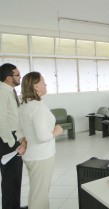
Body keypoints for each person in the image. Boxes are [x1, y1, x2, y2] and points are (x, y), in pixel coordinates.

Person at [17, 71, 63, 209]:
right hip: (42, 156)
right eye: (43, 81)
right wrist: (56, 132)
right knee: (40, 195)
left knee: (35, 191)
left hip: (31, 155)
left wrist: (23, 142)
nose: (46, 84)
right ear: (36, 87)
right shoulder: (38, 107)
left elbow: (19, 130)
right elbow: (42, 136)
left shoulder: (24, 105)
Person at [0, 63, 27, 209]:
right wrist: (12, 143)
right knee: (10, 179)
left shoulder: (10, 91)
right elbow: (1, 120)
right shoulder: (1, 92)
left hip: (13, 137)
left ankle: (14, 206)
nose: (20, 77)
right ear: (9, 78)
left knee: (16, 177)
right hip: (7, 141)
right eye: (17, 75)